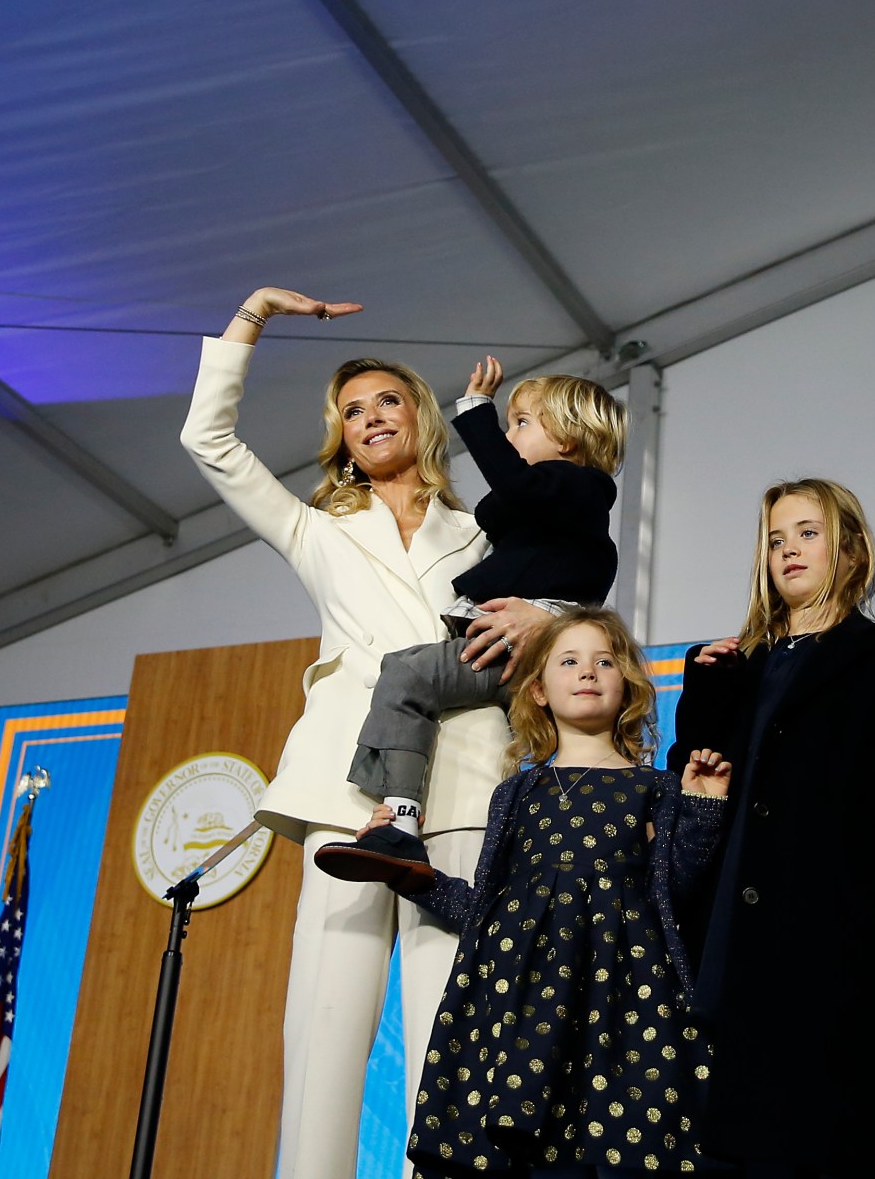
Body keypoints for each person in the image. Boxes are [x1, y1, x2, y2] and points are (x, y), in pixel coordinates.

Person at [181, 285, 559, 1179]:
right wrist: (254, 316)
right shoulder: (314, 529)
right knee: (324, 1029)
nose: (370, 417)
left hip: (464, 791)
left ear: (421, 418)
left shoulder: (481, 535)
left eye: (387, 400)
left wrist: (542, 618)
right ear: (341, 437)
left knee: (451, 1031)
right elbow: (209, 443)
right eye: (352, 411)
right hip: (347, 797)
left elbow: (562, 604)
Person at [356, 607, 733, 1176]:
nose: (588, 672)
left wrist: (705, 806)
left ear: (627, 684)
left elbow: (677, 894)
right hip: (518, 1010)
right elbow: (484, 906)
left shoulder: (655, 787)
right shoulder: (515, 793)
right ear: (537, 690)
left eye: (605, 661)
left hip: (625, 1007)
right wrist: (405, 865)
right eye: (570, 661)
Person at [667, 478, 875, 1178]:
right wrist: (704, 699)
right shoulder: (728, 669)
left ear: (851, 551)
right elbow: (691, 792)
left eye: (807, 532)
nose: (788, 550)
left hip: (826, 946)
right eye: (775, 539)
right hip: (722, 941)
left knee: (814, 1142)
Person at [319, 357, 628, 884]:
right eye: (506, 424)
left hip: (516, 650)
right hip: (513, 652)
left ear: (569, 438)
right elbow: (501, 509)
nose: (508, 436)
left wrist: (477, 410)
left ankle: (398, 815)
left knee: (406, 675)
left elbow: (514, 490)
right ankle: (406, 809)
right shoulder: (548, 508)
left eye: (521, 424)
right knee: (416, 683)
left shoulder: (577, 486)